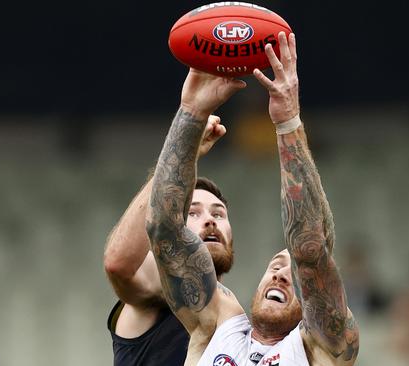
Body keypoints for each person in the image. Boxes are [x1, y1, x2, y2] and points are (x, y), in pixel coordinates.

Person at [146, 31, 359, 365]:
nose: (280, 275)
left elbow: (310, 250)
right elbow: (163, 230)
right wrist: (191, 112)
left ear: (312, 299)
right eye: (275, 265)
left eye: (292, 275)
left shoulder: (322, 347)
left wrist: (288, 122)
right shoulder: (217, 326)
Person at [103, 114, 238, 365]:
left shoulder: (234, 316)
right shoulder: (163, 284)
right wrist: (183, 156)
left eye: (218, 213)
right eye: (193, 213)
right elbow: (119, 264)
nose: (210, 220)